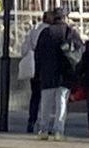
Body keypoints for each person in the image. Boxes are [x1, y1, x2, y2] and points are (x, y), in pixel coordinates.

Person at [32, 7, 83, 140]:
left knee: (46, 103)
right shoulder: (69, 32)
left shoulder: (46, 32)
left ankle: (43, 130)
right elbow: (80, 50)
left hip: (48, 73)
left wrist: (38, 72)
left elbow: (38, 54)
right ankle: (58, 131)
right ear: (65, 18)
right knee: (61, 103)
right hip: (64, 74)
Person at [19, 10, 52, 134]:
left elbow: (24, 50)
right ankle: (44, 124)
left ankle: (31, 121)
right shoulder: (51, 33)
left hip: (35, 68)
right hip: (48, 68)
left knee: (35, 97)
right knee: (46, 98)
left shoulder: (34, 32)